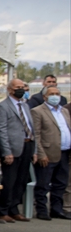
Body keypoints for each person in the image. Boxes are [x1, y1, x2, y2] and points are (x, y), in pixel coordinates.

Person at [0, 78, 36, 222]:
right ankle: (2, 210)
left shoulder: (25, 105)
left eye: (22, 87)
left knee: (21, 180)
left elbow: (31, 128)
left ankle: (14, 209)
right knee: (9, 181)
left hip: (27, 145)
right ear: (10, 89)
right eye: (17, 87)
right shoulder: (2, 107)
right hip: (12, 148)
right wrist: (6, 151)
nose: (21, 90)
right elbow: (2, 131)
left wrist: (35, 150)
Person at [31, 85, 70, 220]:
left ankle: (56, 209)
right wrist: (41, 154)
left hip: (64, 153)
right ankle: (42, 210)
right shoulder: (37, 111)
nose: (55, 96)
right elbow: (36, 134)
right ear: (44, 97)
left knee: (60, 183)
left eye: (57, 94)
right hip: (47, 154)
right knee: (43, 184)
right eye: (52, 94)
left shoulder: (64, 111)